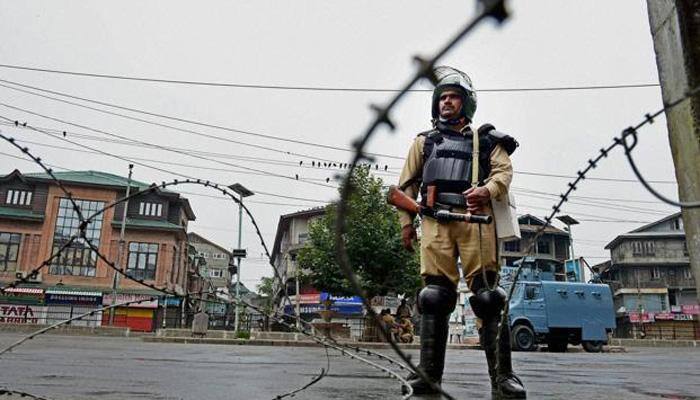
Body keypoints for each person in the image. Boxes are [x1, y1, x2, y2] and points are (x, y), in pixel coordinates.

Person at [396, 66, 526, 399]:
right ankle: (428, 376)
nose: (446, 103)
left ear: (465, 103)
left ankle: (504, 377)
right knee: (434, 296)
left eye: (453, 97)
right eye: (442, 98)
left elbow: (503, 172)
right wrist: (406, 225)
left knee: (487, 296)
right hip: (435, 223)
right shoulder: (423, 143)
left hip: (476, 220)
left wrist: (489, 190)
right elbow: (406, 186)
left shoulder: (487, 140)